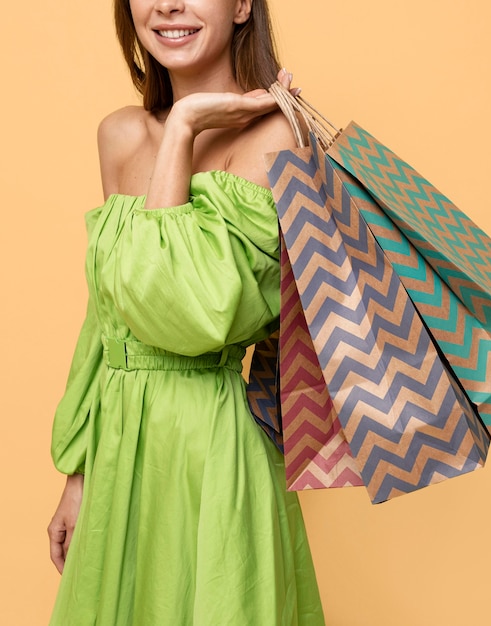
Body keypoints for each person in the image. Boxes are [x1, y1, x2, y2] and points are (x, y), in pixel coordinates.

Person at [46, 0, 325, 623]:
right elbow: (109, 314)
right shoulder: (119, 134)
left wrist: (183, 129)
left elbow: (187, 313)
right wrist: (78, 469)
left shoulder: (278, 137)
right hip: (119, 447)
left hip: (212, 445)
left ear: (243, 5)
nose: (168, 4)